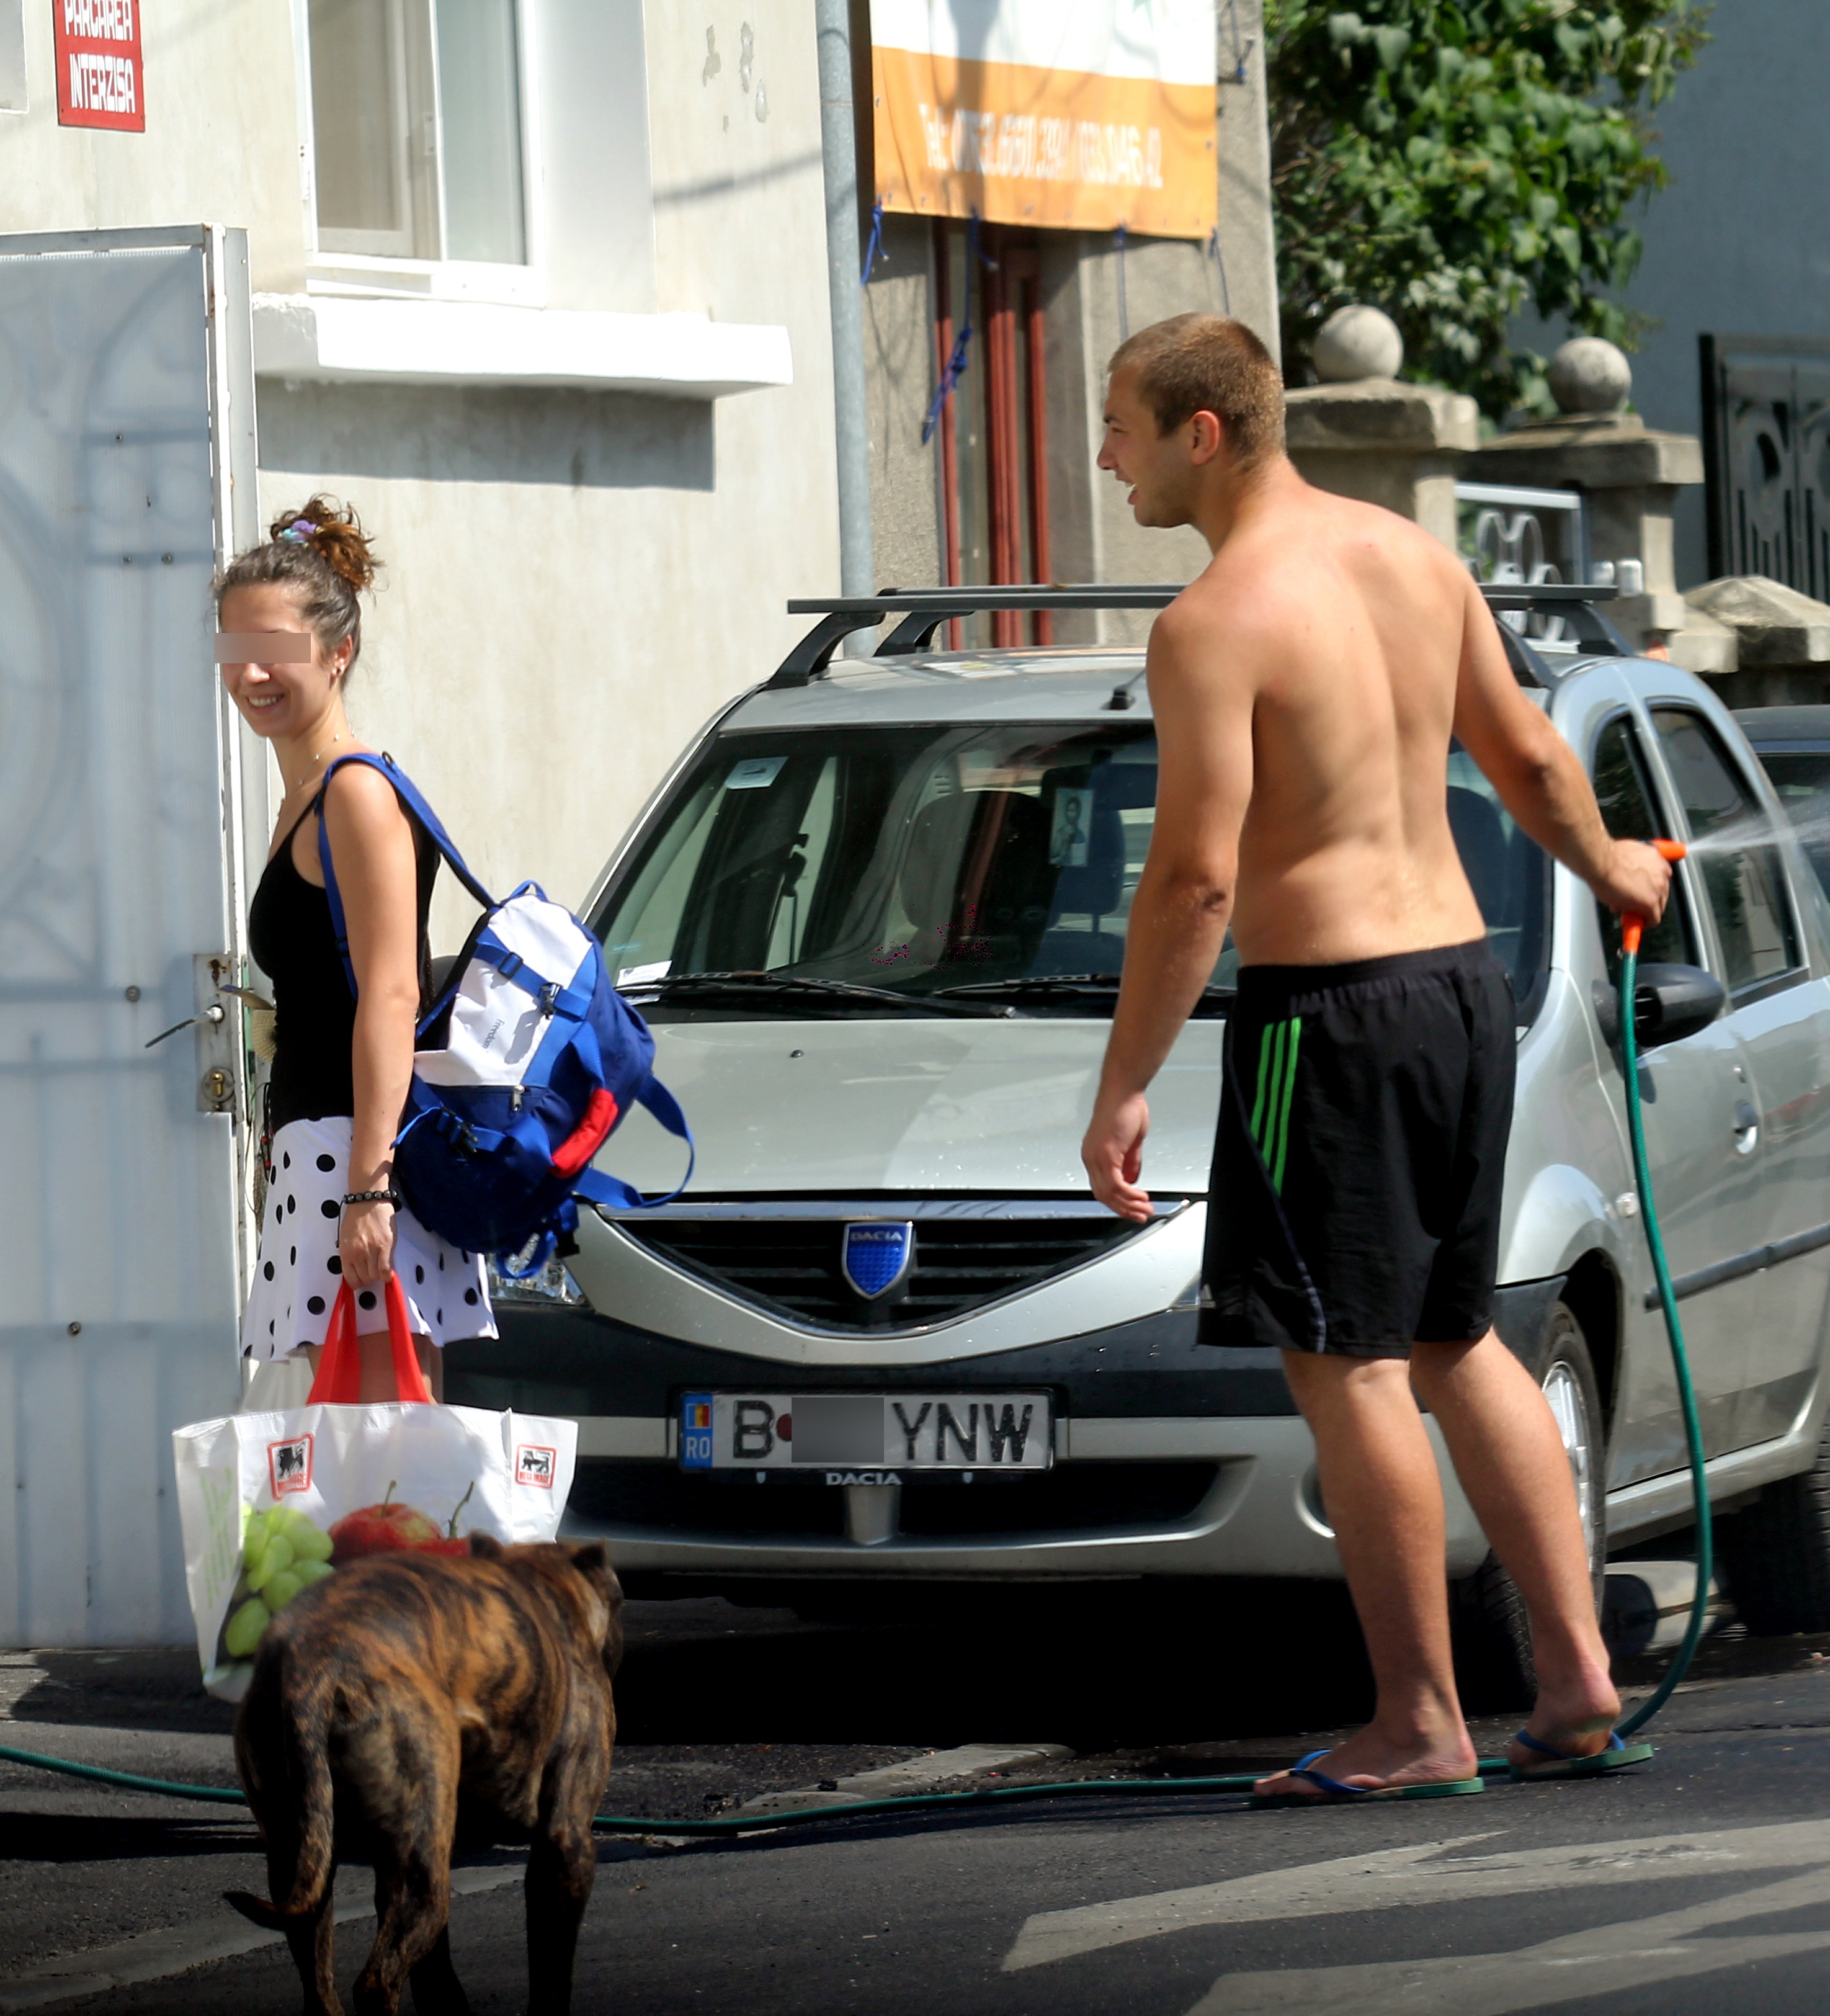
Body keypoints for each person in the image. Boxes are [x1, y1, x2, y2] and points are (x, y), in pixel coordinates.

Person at [1078, 315, 1671, 1799]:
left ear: (1198, 435)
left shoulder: (1211, 620)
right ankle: (1575, 1676)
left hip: (1326, 1013)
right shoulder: (1414, 557)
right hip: (1459, 988)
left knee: (1340, 1360)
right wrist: (1609, 867)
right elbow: (1530, 755)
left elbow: (1194, 884)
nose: (1105, 456)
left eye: (1120, 427)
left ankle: (1416, 1718)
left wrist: (1123, 1080)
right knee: (1454, 1337)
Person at [216, 500, 494, 1403]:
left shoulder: (355, 792)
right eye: (233, 649)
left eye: (278, 648)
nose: (252, 672)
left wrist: (369, 1192)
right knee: (346, 1473)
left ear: (337, 652)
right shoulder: (303, 796)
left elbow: (390, 993)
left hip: (362, 1163)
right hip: (321, 1159)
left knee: (387, 1471)